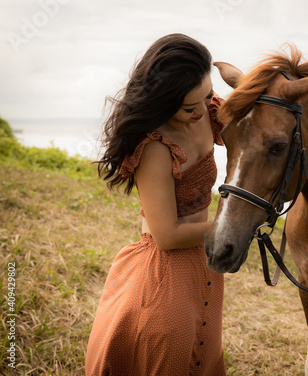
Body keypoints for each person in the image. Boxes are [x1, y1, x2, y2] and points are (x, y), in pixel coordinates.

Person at [85, 33, 226, 375]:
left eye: (206, 96)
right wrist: (231, 226)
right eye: (189, 107)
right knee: (169, 354)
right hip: (166, 268)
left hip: (204, 259)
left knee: (201, 352)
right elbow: (167, 236)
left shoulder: (206, 106)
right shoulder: (155, 147)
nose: (201, 111)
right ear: (164, 101)